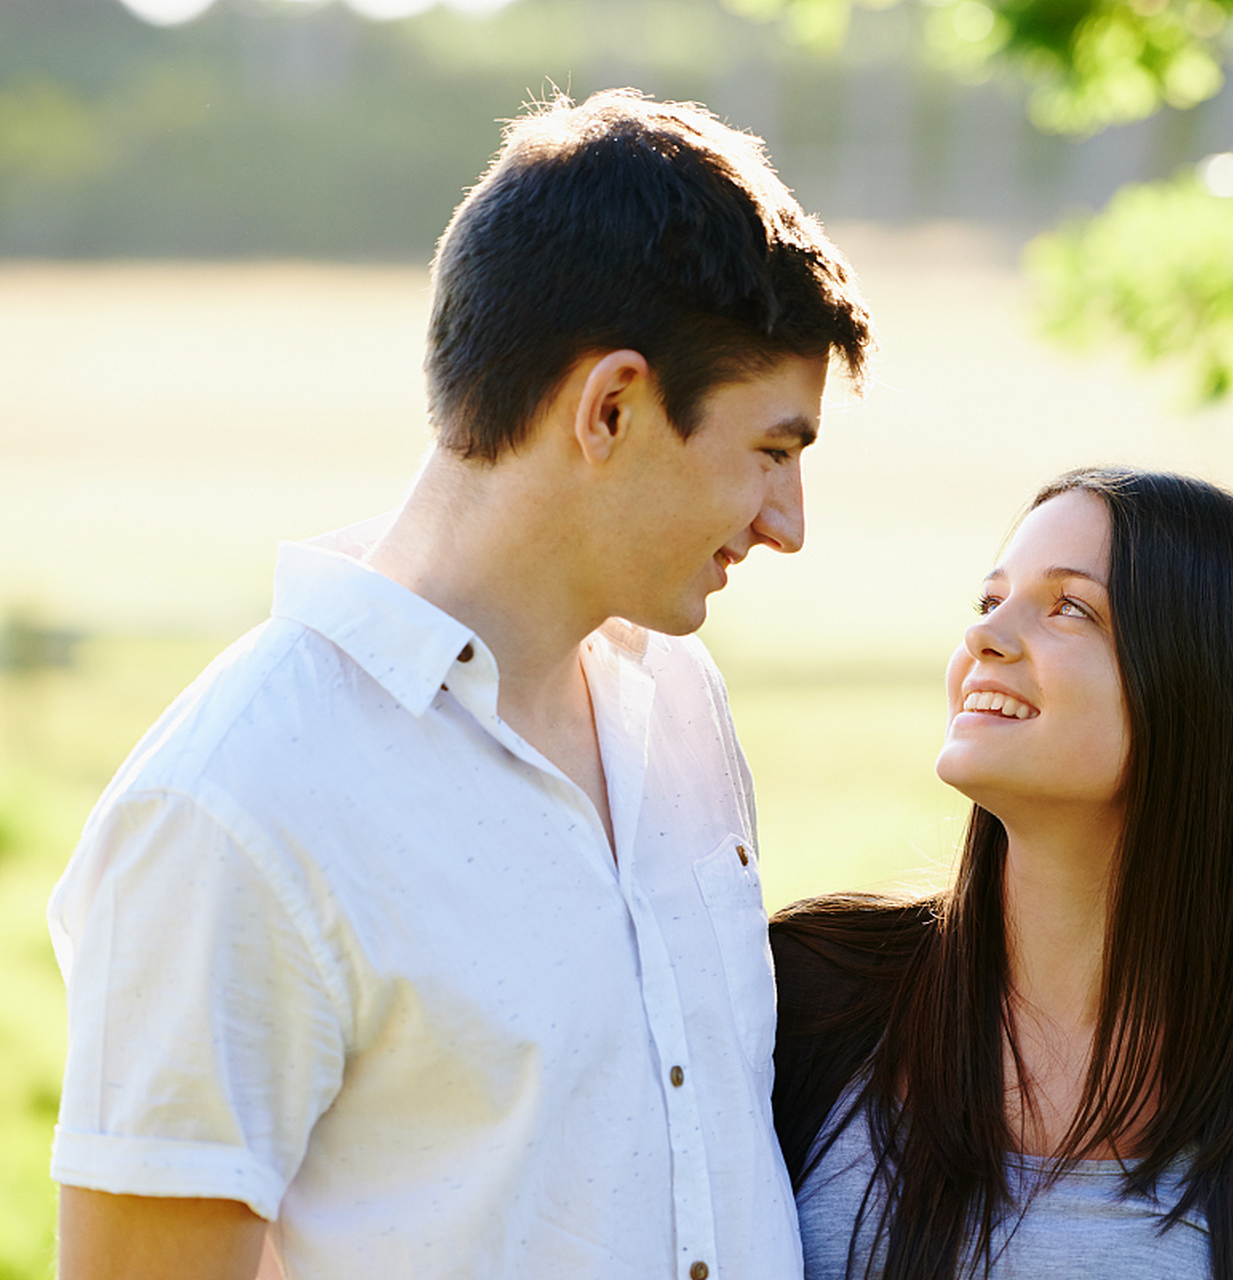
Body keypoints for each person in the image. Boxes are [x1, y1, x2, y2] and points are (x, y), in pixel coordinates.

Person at [46, 89, 871, 1280]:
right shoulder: (234, 801)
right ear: (613, 406)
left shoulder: (682, 701)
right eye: (773, 452)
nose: (788, 523)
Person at [773, 467, 1233, 1280]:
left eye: (1069, 607)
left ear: (1211, 688)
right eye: (989, 601)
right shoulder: (812, 997)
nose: (985, 637)